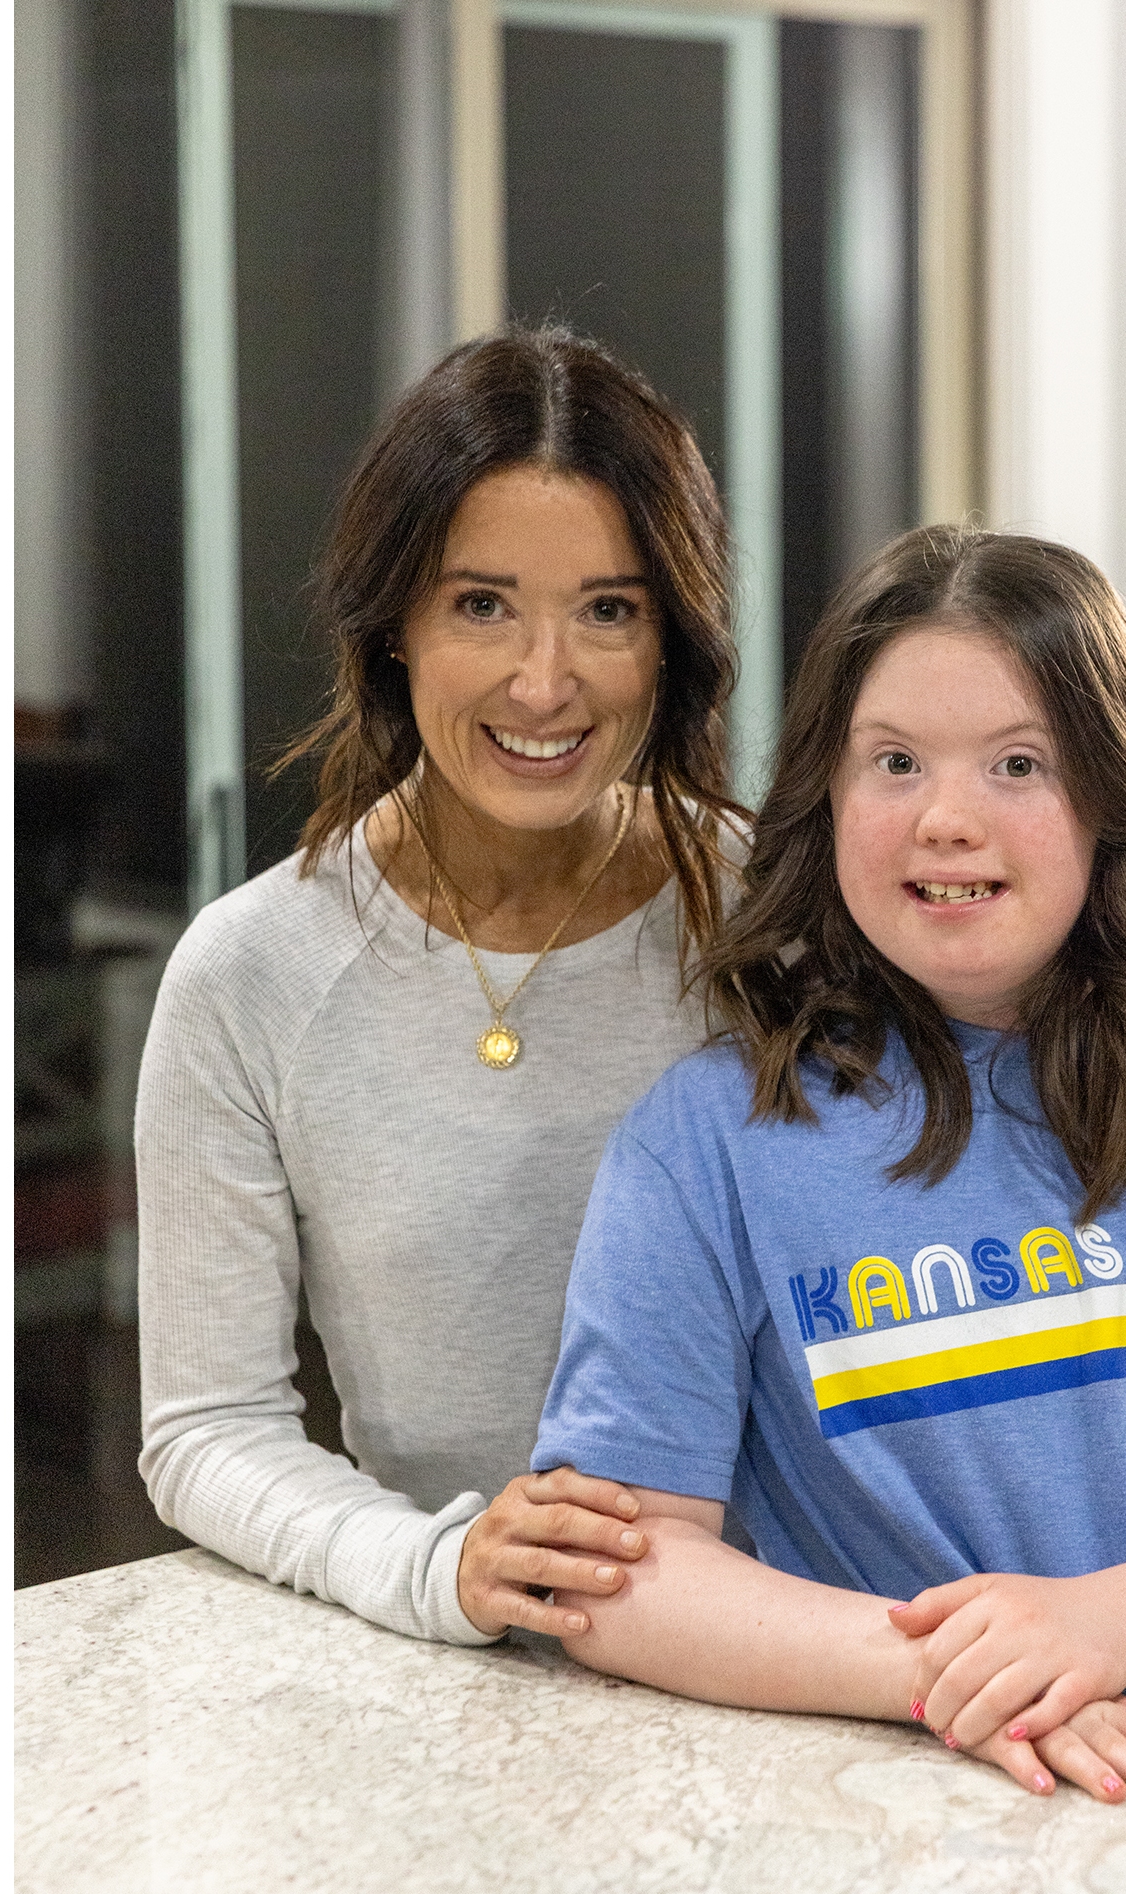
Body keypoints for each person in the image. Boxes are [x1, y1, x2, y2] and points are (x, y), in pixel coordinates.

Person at [534, 524, 1126, 1802]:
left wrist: (1098, 1627)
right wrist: (958, 1672)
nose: (948, 819)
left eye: (1020, 763)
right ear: (826, 796)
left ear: (1109, 794)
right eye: (894, 762)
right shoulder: (705, 1146)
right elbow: (623, 1576)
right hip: (914, 1800)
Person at [134, 328, 743, 1648]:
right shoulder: (247, 976)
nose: (543, 680)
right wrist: (430, 1565)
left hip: (790, 1645)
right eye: (480, 605)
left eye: (606, 610)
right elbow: (204, 1431)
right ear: (393, 626)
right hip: (447, 1675)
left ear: (670, 639)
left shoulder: (775, 927)